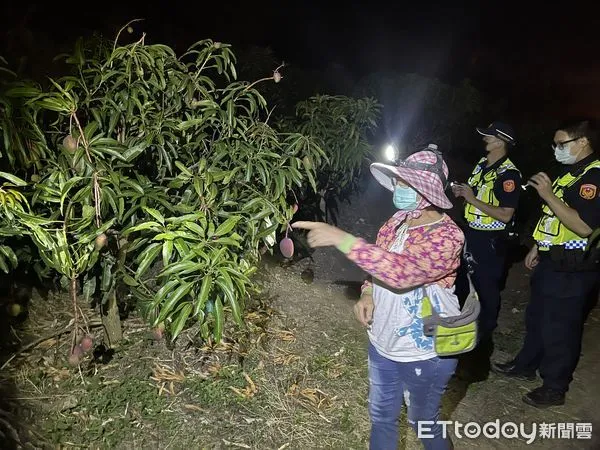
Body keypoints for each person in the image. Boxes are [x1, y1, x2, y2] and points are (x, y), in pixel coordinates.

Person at [293, 148, 465, 450]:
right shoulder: (396, 221)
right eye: (398, 181)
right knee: (382, 418)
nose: (398, 188)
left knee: (422, 423)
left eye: (406, 184)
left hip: (425, 352)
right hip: (383, 343)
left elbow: (402, 273)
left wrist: (341, 238)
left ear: (427, 193)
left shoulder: (448, 237)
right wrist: (368, 293)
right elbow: (377, 268)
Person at [492, 119, 600, 408]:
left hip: (574, 268)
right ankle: (526, 365)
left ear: (582, 142)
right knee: (537, 318)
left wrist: (548, 194)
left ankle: (554, 387)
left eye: (561, 143)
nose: (556, 149)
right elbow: (557, 217)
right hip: (553, 260)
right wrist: (539, 246)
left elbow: (583, 226)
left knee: (561, 328)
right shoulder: (570, 174)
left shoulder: (594, 177)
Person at [451, 122, 522, 367]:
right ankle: (458, 333)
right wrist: (463, 194)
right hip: (470, 232)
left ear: (500, 141)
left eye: (488, 137)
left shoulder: (509, 175)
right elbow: (477, 195)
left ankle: (480, 346)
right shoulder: (483, 164)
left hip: (490, 242)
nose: (484, 140)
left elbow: (505, 215)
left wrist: (472, 198)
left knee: (486, 292)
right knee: (461, 283)